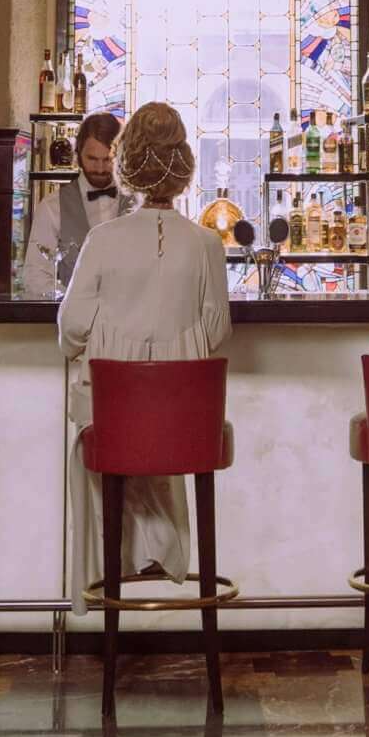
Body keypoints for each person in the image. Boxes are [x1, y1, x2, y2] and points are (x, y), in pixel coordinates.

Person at [57, 102, 232, 580]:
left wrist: (117, 337)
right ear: (185, 168)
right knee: (154, 446)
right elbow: (217, 331)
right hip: (186, 426)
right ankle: (165, 554)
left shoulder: (104, 241)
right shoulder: (207, 245)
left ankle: (115, 572)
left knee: (101, 440)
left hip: (114, 427)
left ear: (126, 166)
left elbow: (70, 331)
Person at [22, 111, 126, 296]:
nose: (101, 169)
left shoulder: (138, 205)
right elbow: (35, 277)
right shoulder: (52, 208)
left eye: (108, 160)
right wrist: (75, 302)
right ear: (77, 155)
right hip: (74, 322)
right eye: (92, 159)